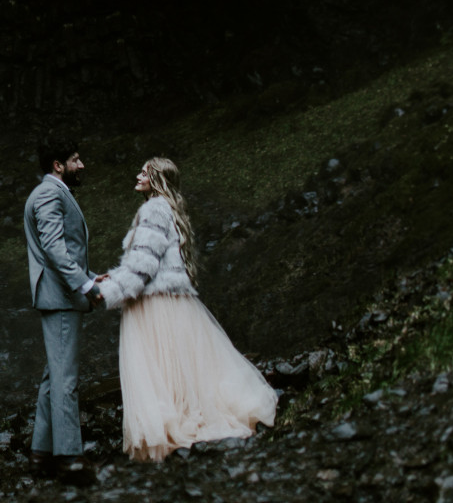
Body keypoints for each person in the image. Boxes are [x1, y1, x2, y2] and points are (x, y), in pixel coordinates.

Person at [92, 157, 277, 461]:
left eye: (145, 172)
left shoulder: (152, 209)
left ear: (158, 179)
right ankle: (187, 422)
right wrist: (114, 278)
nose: (138, 175)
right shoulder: (170, 209)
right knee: (179, 365)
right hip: (173, 300)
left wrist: (106, 292)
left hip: (153, 304)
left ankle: (172, 431)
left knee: (158, 369)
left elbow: (143, 265)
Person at [22, 137, 99, 481]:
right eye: (75, 160)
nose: (81, 165)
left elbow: (62, 251)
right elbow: (54, 248)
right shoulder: (50, 194)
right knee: (66, 378)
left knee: (53, 376)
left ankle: (40, 455)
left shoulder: (48, 193)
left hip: (56, 294)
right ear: (58, 165)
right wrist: (84, 285)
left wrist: (93, 276)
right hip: (61, 297)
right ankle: (69, 458)